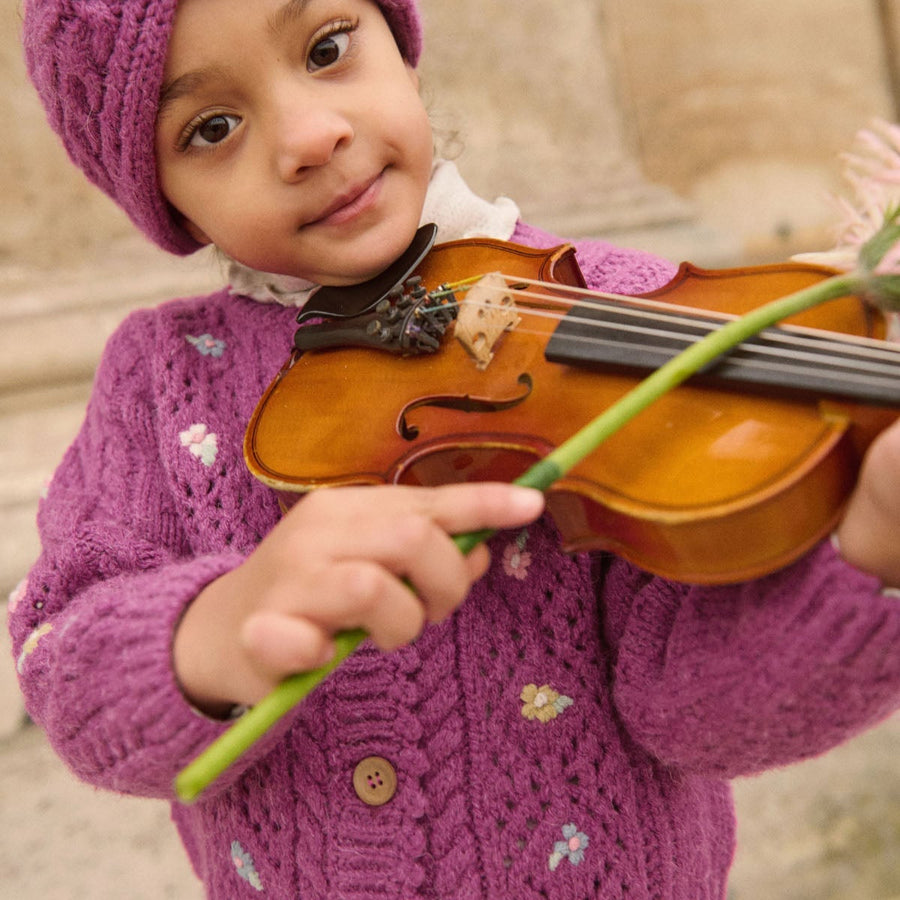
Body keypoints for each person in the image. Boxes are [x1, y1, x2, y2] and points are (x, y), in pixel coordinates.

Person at [10, 0, 900, 896]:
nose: (310, 137)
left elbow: (697, 712)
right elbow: (62, 660)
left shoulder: (620, 313)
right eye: (211, 127)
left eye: (326, 48)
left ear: (399, 44)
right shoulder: (160, 379)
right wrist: (219, 629)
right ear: (166, 198)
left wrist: (872, 550)